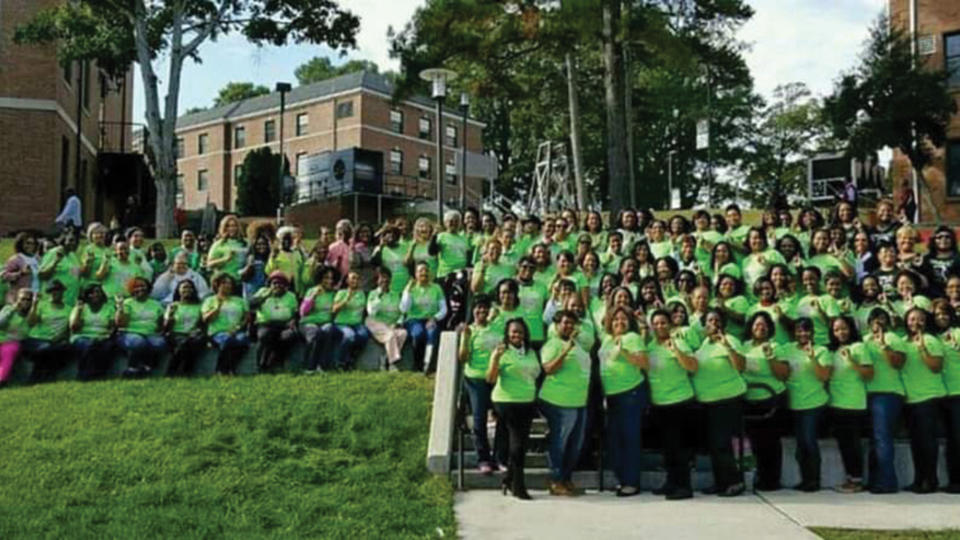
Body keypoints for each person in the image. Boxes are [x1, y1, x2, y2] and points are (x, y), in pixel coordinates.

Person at [645, 309, 699, 500]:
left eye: (663, 323)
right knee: (667, 448)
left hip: (680, 402)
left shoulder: (680, 343)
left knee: (680, 448)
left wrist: (675, 350)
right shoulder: (649, 347)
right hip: (659, 403)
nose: (660, 326)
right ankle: (671, 482)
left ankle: (684, 486)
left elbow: (693, 366)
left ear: (670, 325)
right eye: (656, 323)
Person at [692, 309, 747, 496]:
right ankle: (721, 482)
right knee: (714, 445)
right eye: (709, 320)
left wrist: (727, 347)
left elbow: (741, 366)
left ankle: (734, 482)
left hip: (727, 399)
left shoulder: (731, 340)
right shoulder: (704, 345)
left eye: (717, 320)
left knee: (722, 443)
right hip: (708, 402)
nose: (713, 323)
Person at [538, 310, 591, 496]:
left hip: (578, 401)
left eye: (572, 323)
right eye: (565, 323)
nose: (568, 326)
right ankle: (555, 480)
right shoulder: (552, 344)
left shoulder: (578, 345)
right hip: (558, 401)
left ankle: (566, 479)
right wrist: (565, 350)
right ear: (556, 325)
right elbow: (549, 368)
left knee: (575, 445)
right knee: (559, 443)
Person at [487, 318, 540, 500]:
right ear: (507, 334)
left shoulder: (531, 352)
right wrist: (494, 359)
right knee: (517, 446)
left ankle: (508, 479)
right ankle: (518, 487)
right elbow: (491, 378)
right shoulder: (502, 351)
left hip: (527, 402)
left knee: (521, 445)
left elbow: (535, 374)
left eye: (519, 331)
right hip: (506, 402)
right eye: (513, 332)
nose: (516, 335)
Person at [599, 305, 649, 497]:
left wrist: (625, 353)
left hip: (630, 394)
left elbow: (645, 363)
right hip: (612, 396)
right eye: (615, 319)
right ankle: (622, 479)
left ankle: (631, 482)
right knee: (615, 440)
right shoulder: (606, 340)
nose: (619, 322)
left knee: (629, 439)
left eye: (624, 319)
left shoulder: (632, 338)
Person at [780, 317, 832, 492]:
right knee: (800, 445)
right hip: (795, 403)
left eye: (806, 330)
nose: (803, 334)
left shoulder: (822, 350)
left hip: (814, 403)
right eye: (799, 330)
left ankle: (814, 481)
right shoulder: (787, 349)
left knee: (809, 442)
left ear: (813, 332)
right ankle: (805, 479)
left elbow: (824, 376)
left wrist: (813, 358)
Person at [741, 311, 791, 492]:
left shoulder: (776, 346)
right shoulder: (743, 346)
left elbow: (783, 374)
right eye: (756, 325)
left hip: (772, 400)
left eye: (763, 325)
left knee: (770, 443)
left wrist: (770, 358)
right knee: (754, 443)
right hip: (750, 402)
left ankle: (771, 481)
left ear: (769, 328)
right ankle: (757, 477)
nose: (759, 328)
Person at [901, 307, 946, 493]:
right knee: (916, 442)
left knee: (928, 442)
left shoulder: (930, 340)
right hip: (910, 399)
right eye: (912, 319)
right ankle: (919, 479)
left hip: (929, 397)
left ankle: (930, 480)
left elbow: (936, 367)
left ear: (925, 322)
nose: (915, 323)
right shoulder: (902, 342)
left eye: (919, 319)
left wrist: (922, 350)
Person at [861, 307, 907, 494]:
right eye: (874, 319)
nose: (877, 322)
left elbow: (899, 363)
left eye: (881, 319)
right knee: (874, 441)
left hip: (888, 393)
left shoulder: (893, 338)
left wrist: (884, 346)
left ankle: (888, 482)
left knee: (883, 439)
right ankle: (875, 481)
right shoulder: (864, 340)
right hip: (867, 394)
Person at [826, 316, 874, 493]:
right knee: (844, 444)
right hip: (835, 402)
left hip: (853, 403)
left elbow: (869, 374)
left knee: (852, 444)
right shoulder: (833, 350)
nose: (840, 333)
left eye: (844, 328)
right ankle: (850, 478)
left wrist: (853, 361)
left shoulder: (859, 347)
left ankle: (857, 480)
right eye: (837, 330)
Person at [459, 295, 502, 475]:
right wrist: (466, 338)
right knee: (479, 420)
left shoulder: (497, 328)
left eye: (485, 308)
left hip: (497, 379)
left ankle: (499, 457)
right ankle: (483, 458)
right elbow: (463, 358)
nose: (481, 311)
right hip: (476, 380)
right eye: (478, 308)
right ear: (473, 311)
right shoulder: (469, 330)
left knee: (502, 419)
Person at [115, 276, 166, 377]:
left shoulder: (156, 304)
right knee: (139, 342)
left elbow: (161, 324)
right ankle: (132, 368)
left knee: (159, 343)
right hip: (129, 333)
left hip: (151, 333)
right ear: (131, 289)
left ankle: (147, 367)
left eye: (143, 286)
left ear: (148, 288)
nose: (140, 289)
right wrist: (120, 308)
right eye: (136, 287)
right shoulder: (127, 303)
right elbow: (121, 324)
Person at [402, 262, 447, 373]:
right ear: (415, 274)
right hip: (414, 320)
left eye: (426, 270)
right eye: (420, 271)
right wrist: (407, 290)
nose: (424, 273)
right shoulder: (411, 288)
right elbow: (404, 309)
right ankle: (417, 364)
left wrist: (435, 318)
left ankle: (427, 365)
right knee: (418, 334)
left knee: (431, 333)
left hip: (431, 319)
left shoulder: (436, 288)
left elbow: (444, 309)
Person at [23, 280, 72, 382]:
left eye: (57, 291)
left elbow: (69, 328)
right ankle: (38, 377)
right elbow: (30, 322)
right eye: (51, 291)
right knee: (46, 349)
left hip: (56, 341)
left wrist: (63, 338)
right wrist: (34, 305)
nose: (54, 293)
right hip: (36, 339)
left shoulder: (69, 309)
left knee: (60, 349)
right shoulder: (41, 305)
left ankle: (41, 377)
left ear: (62, 292)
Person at [250, 272, 300, 372]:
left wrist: (293, 320)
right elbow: (252, 305)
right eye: (275, 283)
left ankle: (276, 362)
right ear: (270, 284)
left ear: (286, 286)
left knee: (288, 336)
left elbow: (296, 312)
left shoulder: (290, 296)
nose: (277, 286)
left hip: (284, 325)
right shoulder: (263, 292)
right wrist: (266, 296)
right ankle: (260, 365)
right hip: (266, 324)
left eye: (281, 283)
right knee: (265, 335)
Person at [202, 273, 250, 375]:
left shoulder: (240, 301)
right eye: (224, 283)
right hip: (217, 332)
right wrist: (218, 306)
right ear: (217, 285)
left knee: (243, 340)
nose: (227, 285)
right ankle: (221, 369)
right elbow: (206, 319)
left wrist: (238, 328)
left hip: (236, 331)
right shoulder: (210, 300)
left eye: (229, 283)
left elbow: (246, 318)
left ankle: (231, 367)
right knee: (228, 340)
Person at [70, 284, 117, 381]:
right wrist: (79, 311)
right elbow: (74, 328)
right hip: (82, 337)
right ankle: (83, 374)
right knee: (90, 345)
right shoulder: (80, 308)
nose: (95, 295)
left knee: (108, 346)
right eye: (91, 293)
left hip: (103, 337)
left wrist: (106, 336)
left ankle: (100, 374)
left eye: (97, 292)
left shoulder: (109, 308)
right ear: (87, 296)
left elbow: (113, 327)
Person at [365, 267, 407, 371]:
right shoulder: (373, 294)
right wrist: (380, 296)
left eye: (387, 277)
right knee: (391, 335)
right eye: (382, 277)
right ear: (377, 280)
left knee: (403, 333)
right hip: (375, 323)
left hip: (391, 324)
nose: (385, 280)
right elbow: (371, 312)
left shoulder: (395, 294)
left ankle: (386, 359)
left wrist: (398, 322)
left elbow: (401, 312)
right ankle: (393, 363)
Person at [163, 279, 206, 377]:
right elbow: (165, 327)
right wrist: (170, 315)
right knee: (183, 344)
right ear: (178, 290)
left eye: (190, 287)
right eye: (184, 287)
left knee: (192, 342)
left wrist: (197, 331)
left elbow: (202, 324)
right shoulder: (173, 306)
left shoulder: (199, 306)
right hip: (176, 334)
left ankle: (187, 371)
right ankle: (172, 371)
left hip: (193, 335)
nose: (188, 290)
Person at [299, 267, 338, 372]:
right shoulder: (311, 290)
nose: (329, 281)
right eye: (326, 278)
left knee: (328, 330)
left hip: (326, 322)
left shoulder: (334, 293)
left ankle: (322, 365)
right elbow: (303, 312)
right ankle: (309, 366)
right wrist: (313, 297)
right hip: (309, 321)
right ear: (320, 278)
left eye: (331, 278)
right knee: (314, 332)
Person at [330, 271, 369, 371]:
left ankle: (351, 358)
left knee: (364, 335)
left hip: (357, 323)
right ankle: (340, 362)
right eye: (353, 278)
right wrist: (346, 299)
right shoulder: (341, 293)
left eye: (357, 278)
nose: (355, 280)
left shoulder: (361, 294)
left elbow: (364, 310)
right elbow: (334, 310)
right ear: (347, 280)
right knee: (349, 336)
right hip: (342, 323)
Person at [38, 230, 82, 306]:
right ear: (64, 240)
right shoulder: (53, 253)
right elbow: (41, 275)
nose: (73, 243)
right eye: (70, 240)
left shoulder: (73, 255)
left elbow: (75, 276)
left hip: (70, 301)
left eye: (76, 241)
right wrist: (56, 261)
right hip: (54, 301)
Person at [0, 289, 33, 386]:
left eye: (28, 300)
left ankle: (1, 380)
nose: (25, 302)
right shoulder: (8, 309)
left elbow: (24, 334)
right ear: (17, 299)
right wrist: (13, 309)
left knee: (10, 351)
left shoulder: (32, 314)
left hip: (12, 343)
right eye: (22, 299)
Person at [206, 215, 248, 280]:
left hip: (243, 281)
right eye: (228, 226)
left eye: (234, 226)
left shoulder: (245, 242)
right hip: (225, 281)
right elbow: (209, 264)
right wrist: (225, 259)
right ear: (224, 228)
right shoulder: (218, 244)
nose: (231, 228)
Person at [2, 232, 40, 304]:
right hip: (20, 298)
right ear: (21, 244)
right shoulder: (16, 259)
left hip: (36, 295)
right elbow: (4, 277)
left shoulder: (37, 259)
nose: (30, 246)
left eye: (33, 243)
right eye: (27, 243)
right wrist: (20, 273)